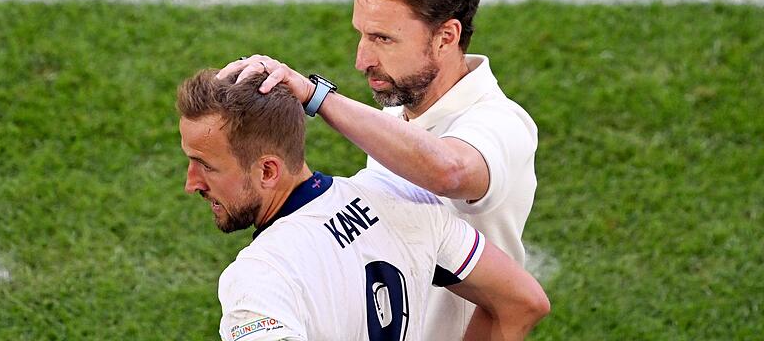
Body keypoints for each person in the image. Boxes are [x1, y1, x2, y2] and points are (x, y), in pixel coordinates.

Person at [218, 0, 540, 340]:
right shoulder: (395, 120)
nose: (361, 60)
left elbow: (450, 170)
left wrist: (316, 96)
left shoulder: (500, 123)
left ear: (446, 36)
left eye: (383, 39)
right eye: (363, 35)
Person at [177, 69, 549, 341]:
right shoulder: (402, 199)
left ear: (269, 171)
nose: (191, 183)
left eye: (206, 166)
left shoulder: (259, 278)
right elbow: (522, 302)